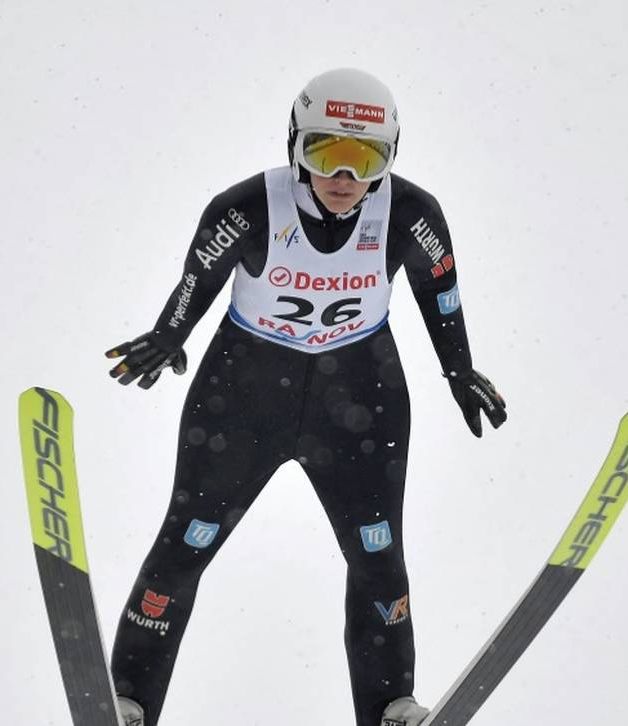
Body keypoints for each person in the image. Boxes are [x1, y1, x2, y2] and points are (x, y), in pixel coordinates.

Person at [103, 67, 507, 726]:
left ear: (390, 156)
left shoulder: (410, 214)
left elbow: (443, 291)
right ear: (294, 145)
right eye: (325, 153)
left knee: (379, 557)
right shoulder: (247, 207)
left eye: (364, 158)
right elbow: (195, 279)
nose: (344, 177)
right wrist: (168, 333)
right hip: (243, 397)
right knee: (183, 550)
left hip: (361, 398)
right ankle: (128, 702)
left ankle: (391, 707)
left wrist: (459, 370)